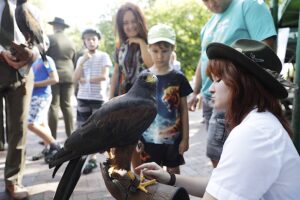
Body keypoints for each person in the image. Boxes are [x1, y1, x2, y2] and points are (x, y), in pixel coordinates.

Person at [136, 39, 300, 200]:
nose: (211, 89)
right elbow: (219, 185)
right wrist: (169, 178)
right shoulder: (260, 123)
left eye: (218, 79)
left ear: (242, 83)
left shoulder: (253, 134)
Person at [187, 0, 277, 167]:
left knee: (220, 154)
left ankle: (223, 190)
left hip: (233, 96)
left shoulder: (249, 5)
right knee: (220, 155)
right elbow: (203, 59)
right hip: (210, 98)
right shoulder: (208, 25)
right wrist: (195, 91)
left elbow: (265, 47)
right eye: (204, 0)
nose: (210, 3)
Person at [135, 24, 193, 175]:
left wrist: (185, 139)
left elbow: (184, 110)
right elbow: (138, 110)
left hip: (173, 140)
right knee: (149, 175)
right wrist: (136, 137)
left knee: (173, 173)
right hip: (148, 140)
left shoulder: (179, 78)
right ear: (148, 49)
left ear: (173, 48)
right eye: (155, 51)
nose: (160, 56)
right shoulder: (143, 77)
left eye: (164, 51)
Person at [0, 0, 38, 198]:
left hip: (23, 73)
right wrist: (1, 52)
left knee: (18, 128)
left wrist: (32, 54)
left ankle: (13, 181)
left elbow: (42, 42)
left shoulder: (29, 9)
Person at [73, 28, 112, 174]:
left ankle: (94, 158)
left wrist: (86, 79)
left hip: (98, 98)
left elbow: (104, 76)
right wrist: (82, 61)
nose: (90, 41)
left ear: (98, 41)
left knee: (98, 129)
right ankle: (85, 157)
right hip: (83, 98)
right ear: (84, 41)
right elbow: (75, 78)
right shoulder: (81, 58)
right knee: (83, 129)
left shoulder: (104, 56)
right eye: (87, 39)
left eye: (93, 39)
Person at [28, 36, 61, 163]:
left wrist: (34, 84)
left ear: (46, 46)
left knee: (30, 123)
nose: (38, 45)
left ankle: (55, 145)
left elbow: (55, 79)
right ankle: (49, 148)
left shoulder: (45, 59)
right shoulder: (32, 61)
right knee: (42, 124)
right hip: (34, 96)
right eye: (35, 43)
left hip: (42, 95)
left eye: (41, 43)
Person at [109, 2, 153, 99]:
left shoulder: (150, 41)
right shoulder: (120, 45)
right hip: (125, 95)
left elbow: (151, 65)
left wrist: (141, 42)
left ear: (140, 21)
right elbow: (116, 73)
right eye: (126, 23)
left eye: (134, 21)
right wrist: (110, 97)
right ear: (121, 26)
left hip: (146, 96)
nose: (131, 26)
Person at [47, 17, 76, 139]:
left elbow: (44, 57)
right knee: (67, 105)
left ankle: (51, 138)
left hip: (54, 75)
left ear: (54, 26)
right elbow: (73, 58)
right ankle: (71, 136)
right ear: (63, 28)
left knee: (53, 106)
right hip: (69, 74)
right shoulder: (71, 41)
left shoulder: (50, 38)